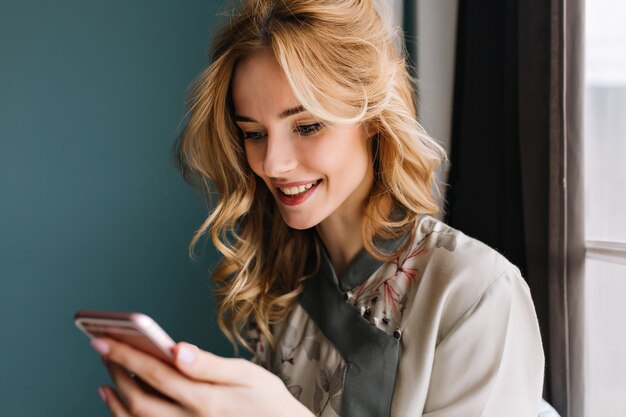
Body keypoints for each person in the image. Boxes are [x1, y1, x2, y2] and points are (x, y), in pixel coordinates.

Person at [89, 0, 545, 416]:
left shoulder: (475, 293)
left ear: (371, 118)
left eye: (306, 126)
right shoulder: (282, 282)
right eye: (254, 132)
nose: (273, 163)